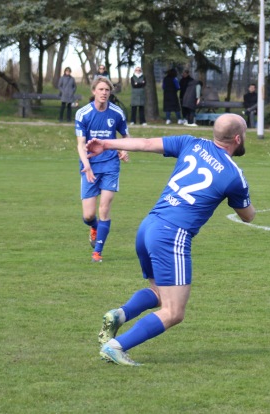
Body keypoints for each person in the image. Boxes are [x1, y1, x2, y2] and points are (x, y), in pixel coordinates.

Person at [87, 113, 255, 366]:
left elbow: (145, 143)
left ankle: (119, 315)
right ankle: (116, 346)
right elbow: (247, 216)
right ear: (238, 139)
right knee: (174, 312)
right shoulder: (234, 175)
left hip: (149, 226)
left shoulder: (191, 142)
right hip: (172, 235)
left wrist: (106, 144)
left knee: (160, 292)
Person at [75, 77, 130, 263]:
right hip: (90, 165)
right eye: (101, 89)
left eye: (107, 90)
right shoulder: (83, 114)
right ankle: (94, 227)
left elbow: (126, 136)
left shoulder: (116, 113)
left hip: (110, 165)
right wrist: (86, 165)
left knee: (104, 208)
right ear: (94, 91)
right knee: (88, 215)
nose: (104, 93)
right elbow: (80, 144)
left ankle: (97, 252)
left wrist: (124, 150)